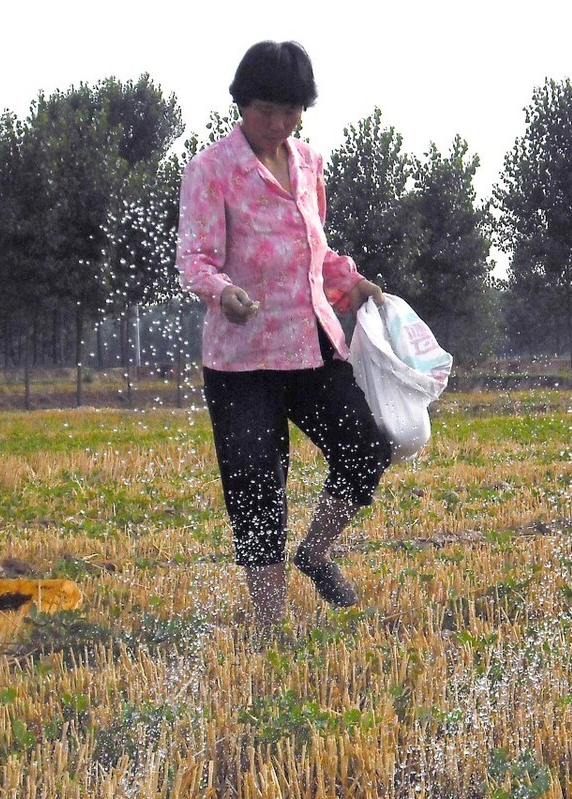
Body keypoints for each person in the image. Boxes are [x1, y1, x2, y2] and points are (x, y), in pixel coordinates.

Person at [175, 40, 392, 632]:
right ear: (242, 104)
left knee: (366, 449)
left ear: (304, 110)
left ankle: (316, 552)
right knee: (254, 480)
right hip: (241, 360)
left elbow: (315, 254)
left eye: (289, 111)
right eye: (264, 109)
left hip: (311, 343)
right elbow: (193, 258)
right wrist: (223, 292)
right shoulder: (211, 169)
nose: (275, 123)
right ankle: (270, 624)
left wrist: (353, 282)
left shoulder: (311, 165)